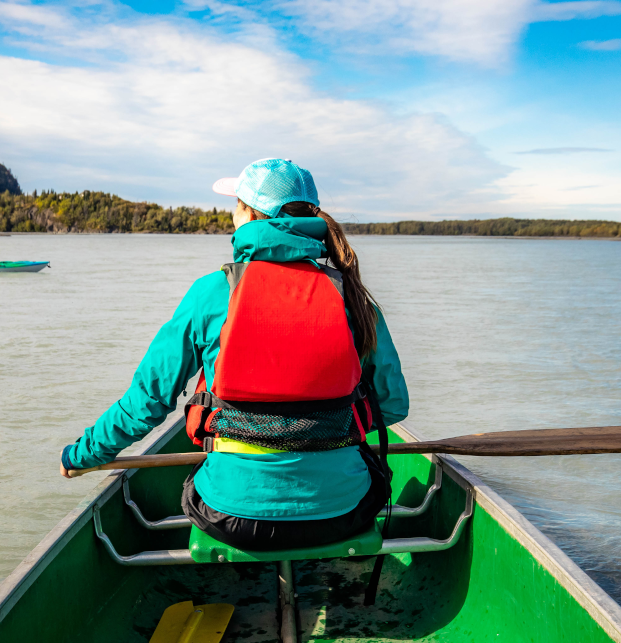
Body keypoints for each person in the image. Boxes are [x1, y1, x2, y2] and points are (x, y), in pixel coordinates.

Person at [60, 158, 409, 551]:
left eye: (236, 204)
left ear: (249, 214)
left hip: (232, 516)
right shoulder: (351, 295)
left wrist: (82, 454)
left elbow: (148, 403)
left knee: (206, 479)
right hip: (344, 511)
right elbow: (392, 406)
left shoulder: (211, 292)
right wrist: (318, 426)